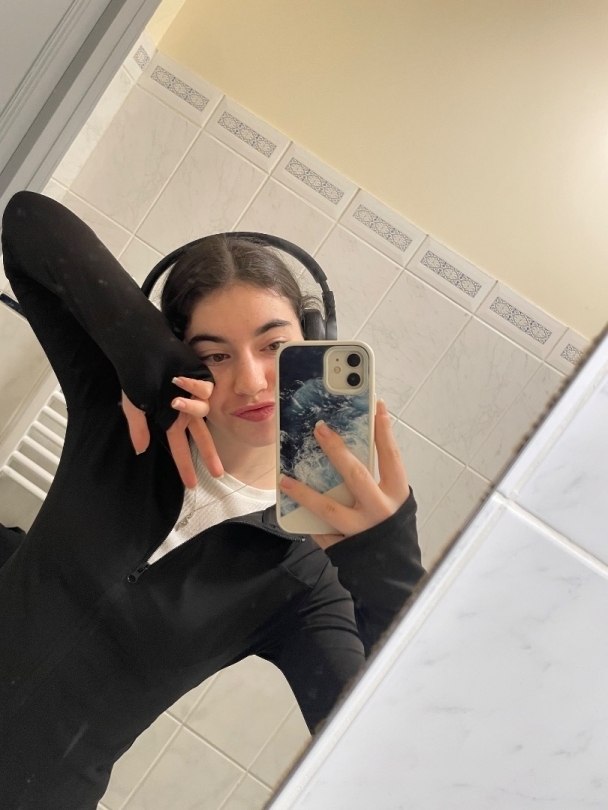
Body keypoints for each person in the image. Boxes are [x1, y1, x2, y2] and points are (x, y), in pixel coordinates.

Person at [0, 190, 424, 810]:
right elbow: (26, 222)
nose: (250, 381)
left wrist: (387, 567)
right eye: (215, 355)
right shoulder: (121, 426)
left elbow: (384, 758)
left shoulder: (303, 578)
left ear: (314, 348)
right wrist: (147, 365)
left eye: (274, 347)